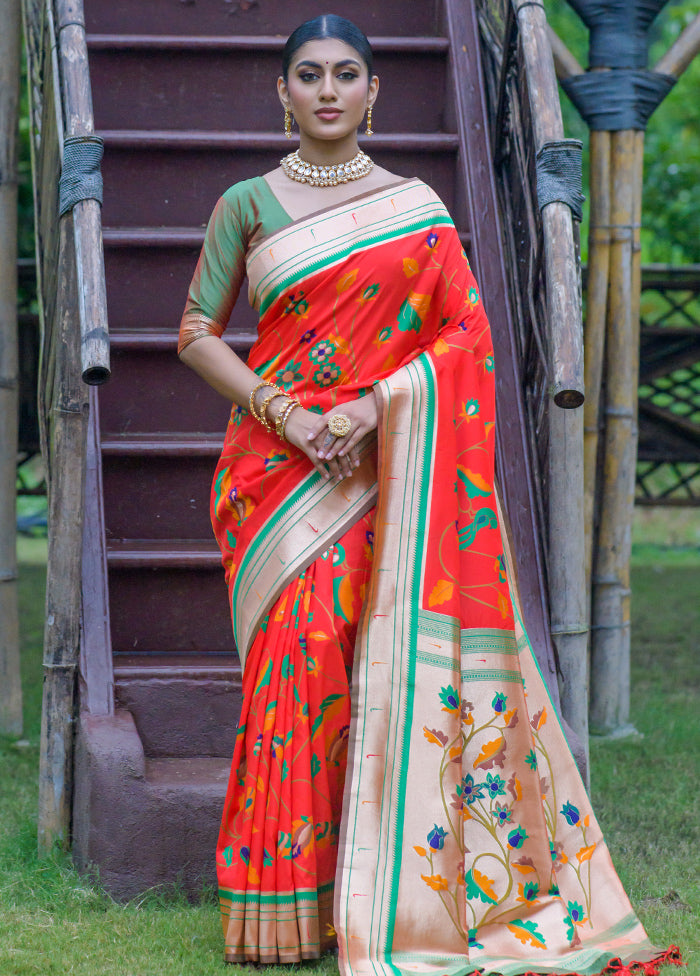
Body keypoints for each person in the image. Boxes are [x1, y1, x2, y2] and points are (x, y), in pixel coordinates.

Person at [178, 14, 677, 976]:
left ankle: (380, 899)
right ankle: (282, 912)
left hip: (388, 470)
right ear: (282, 94)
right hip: (277, 478)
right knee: (300, 671)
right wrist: (286, 413)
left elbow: (468, 338)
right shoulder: (246, 202)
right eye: (309, 76)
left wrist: (371, 410)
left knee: (381, 674)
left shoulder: (417, 207)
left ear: (376, 93)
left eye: (347, 74)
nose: (328, 90)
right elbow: (198, 329)